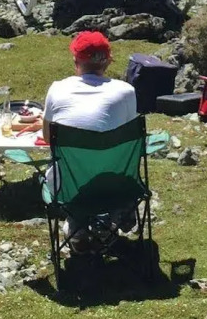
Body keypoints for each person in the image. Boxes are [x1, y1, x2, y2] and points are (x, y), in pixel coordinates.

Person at [41, 31, 139, 245]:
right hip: (118, 187)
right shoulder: (127, 91)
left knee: (63, 167)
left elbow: (48, 138)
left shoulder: (57, 89)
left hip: (71, 189)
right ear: (108, 61)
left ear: (75, 60)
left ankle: (78, 225)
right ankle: (113, 217)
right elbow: (128, 135)